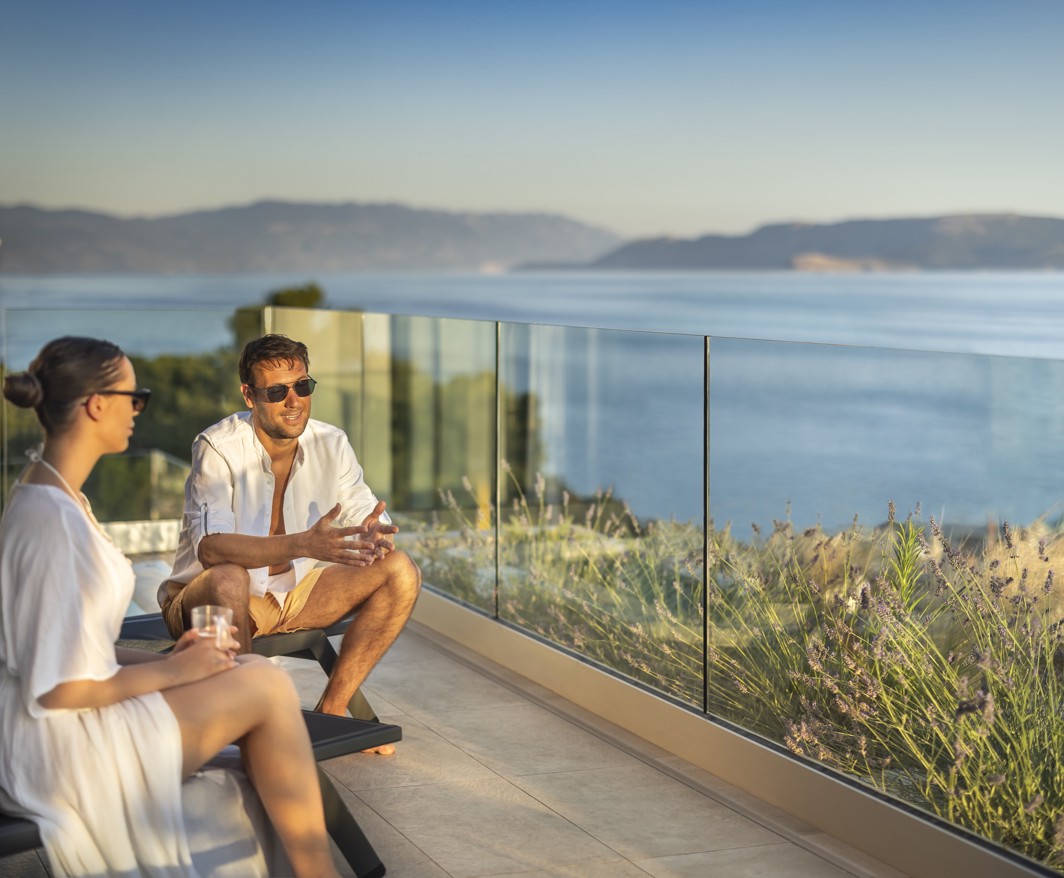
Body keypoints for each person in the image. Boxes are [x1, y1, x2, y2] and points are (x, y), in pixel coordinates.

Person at [0, 336, 343, 877]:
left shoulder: (53, 495)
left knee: (250, 669)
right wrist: (178, 671)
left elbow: (72, 648)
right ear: (96, 405)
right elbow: (55, 686)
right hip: (57, 751)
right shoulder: (50, 524)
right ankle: (316, 870)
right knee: (267, 686)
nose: (139, 410)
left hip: (58, 726)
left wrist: (168, 663)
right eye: (134, 397)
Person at [158, 334, 420, 753]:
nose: (293, 400)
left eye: (302, 386)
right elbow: (211, 549)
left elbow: (364, 509)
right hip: (208, 600)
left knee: (402, 571)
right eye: (277, 392)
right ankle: (248, 730)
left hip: (294, 593)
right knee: (228, 577)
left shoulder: (331, 443)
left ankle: (331, 711)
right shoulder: (217, 448)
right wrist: (304, 545)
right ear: (249, 395)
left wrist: (375, 532)